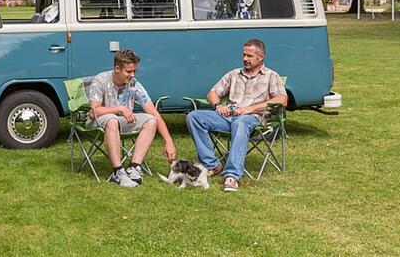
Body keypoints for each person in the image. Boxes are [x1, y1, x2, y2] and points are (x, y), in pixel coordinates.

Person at [185, 39, 287, 192]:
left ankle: (232, 175)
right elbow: (212, 93)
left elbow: (282, 99)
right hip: (229, 116)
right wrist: (218, 105)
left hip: (253, 118)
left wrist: (250, 108)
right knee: (194, 117)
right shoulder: (234, 74)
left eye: (250, 56)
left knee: (240, 123)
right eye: (244, 55)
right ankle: (211, 164)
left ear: (261, 57)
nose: (245, 59)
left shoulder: (271, 76)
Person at [88, 49, 176, 187]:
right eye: (128, 72)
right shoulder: (101, 80)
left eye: (134, 71)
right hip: (99, 122)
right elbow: (94, 111)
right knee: (112, 120)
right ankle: (118, 173)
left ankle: (134, 168)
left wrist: (168, 141)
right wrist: (120, 109)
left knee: (151, 120)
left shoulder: (134, 84)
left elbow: (153, 111)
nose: (132, 75)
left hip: (121, 122)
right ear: (117, 68)